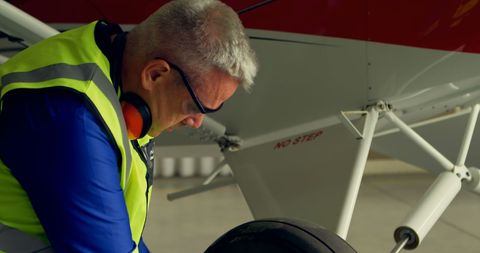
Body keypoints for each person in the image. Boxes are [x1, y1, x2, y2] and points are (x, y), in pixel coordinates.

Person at [0, 0, 258, 252]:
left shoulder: (124, 80)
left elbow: (123, 238)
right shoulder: (73, 116)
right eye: (194, 107)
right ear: (155, 74)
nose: (196, 121)